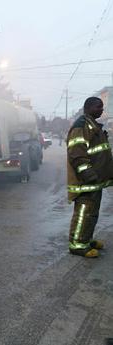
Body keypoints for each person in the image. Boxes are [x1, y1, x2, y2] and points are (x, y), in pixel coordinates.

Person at [66, 97, 113, 258]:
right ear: (89, 107)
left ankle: (86, 239)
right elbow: (77, 154)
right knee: (83, 214)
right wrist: (90, 176)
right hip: (86, 182)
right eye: (99, 107)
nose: (102, 110)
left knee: (92, 214)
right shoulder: (81, 126)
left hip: (95, 182)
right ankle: (77, 245)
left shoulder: (91, 124)